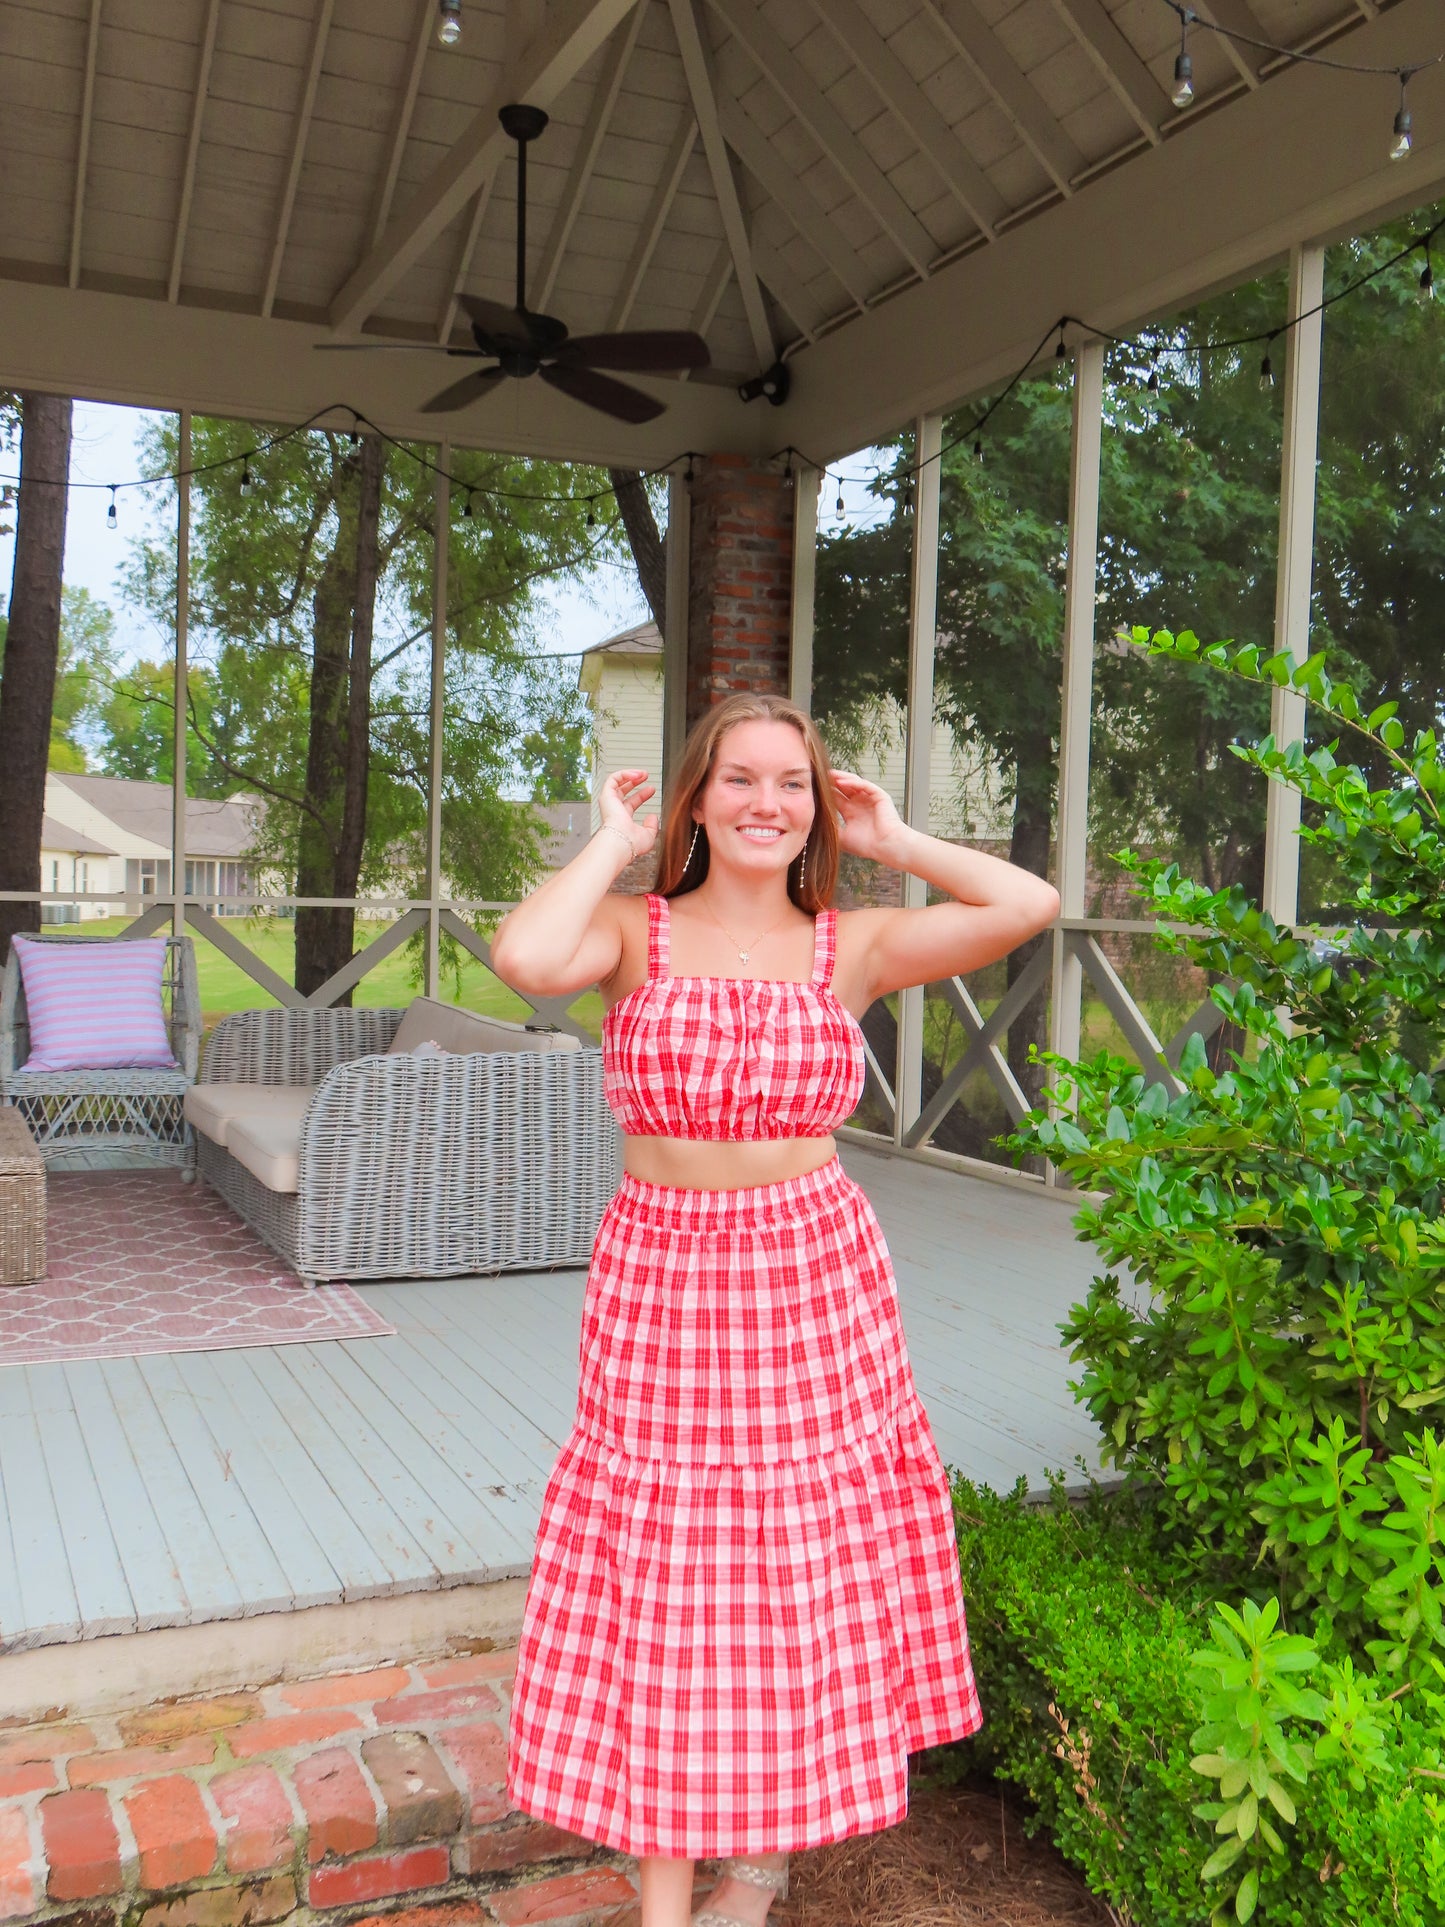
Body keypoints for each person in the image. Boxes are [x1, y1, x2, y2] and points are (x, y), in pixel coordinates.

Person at [491, 692, 1060, 1927]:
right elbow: (527, 960)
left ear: (815, 807)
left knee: (792, 1565)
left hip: (809, 1274)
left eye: (790, 784)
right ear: (696, 796)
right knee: (668, 1571)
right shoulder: (631, 933)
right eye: (738, 780)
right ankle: (662, 1894)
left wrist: (897, 841)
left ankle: (752, 1873)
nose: (766, 803)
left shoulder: (845, 942)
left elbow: (1026, 908)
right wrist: (608, 841)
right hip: (661, 1275)